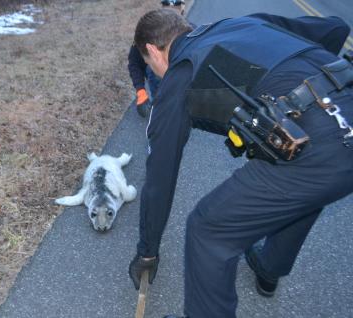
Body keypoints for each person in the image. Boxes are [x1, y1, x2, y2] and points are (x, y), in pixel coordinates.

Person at [128, 8, 353, 318]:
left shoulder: (180, 75)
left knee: (208, 230)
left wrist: (147, 252)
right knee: (299, 179)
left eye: (151, 66)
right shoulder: (242, 23)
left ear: (153, 50)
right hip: (344, 108)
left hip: (320, 147)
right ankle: (269, 266)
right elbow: (335, 27)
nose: (155, 74)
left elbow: (159, 178)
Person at [127, 0, 186, 117]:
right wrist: (141, 91)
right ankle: (162, 108)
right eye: (167, 6)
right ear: (161, 9)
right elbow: (134, 62)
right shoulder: (147, 32)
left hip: (183, 78)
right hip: (157, 77)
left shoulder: (191, 32)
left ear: (182, 9)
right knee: (152, 69)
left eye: (175, 6)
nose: (170, 8)